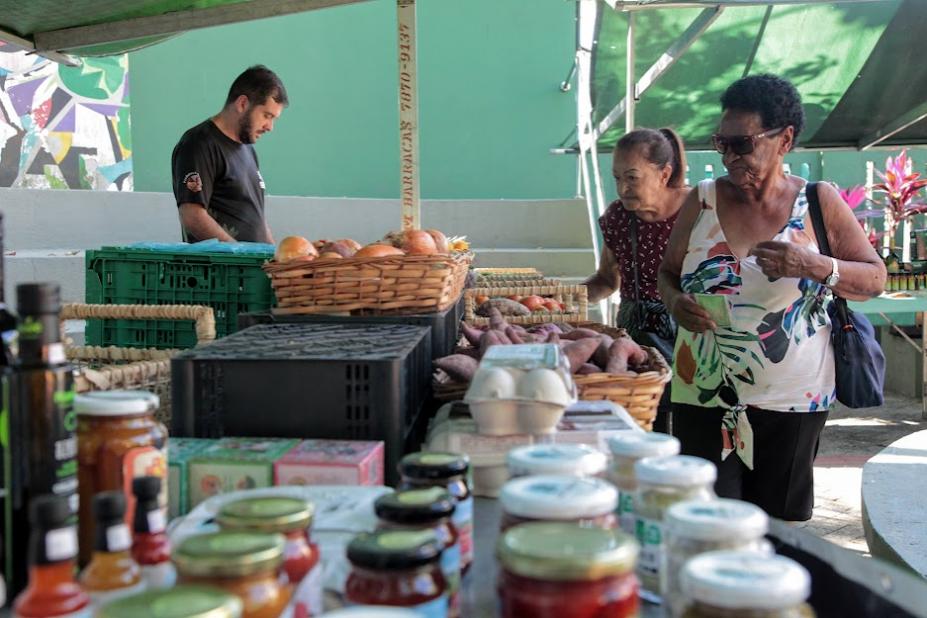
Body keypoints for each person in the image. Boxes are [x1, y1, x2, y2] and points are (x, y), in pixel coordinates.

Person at [658, 74, 886, 521]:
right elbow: (667, 273)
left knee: (778, 532)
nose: (729, 157)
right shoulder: (701, 201)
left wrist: (813, 266)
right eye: (721, 143)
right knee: (706, 527)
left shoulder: (819, 202)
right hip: (703, 394)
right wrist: (673, 302)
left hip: (792, 401)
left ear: (784, 140)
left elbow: (874, 279)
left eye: (741, 144)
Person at [583, 127, 690, 434]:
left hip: (690, 336)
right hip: (637, 343)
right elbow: (606, 280)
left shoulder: (698, 209)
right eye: (617, 178)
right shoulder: (618, 218)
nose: (623, 188)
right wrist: (561, 299)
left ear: (664, 173)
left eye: (632, 177)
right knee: (643, 432)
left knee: (690, 433)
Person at [171, 65, 288, 243]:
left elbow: (256, 219)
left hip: (250, 268)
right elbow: (192, 216)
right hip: (221, 269)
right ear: (242, 104)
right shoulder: (199, 144)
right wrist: (239, 257)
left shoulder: (248, 149)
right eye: (267, 115)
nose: (270, 127)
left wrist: (273, 258)